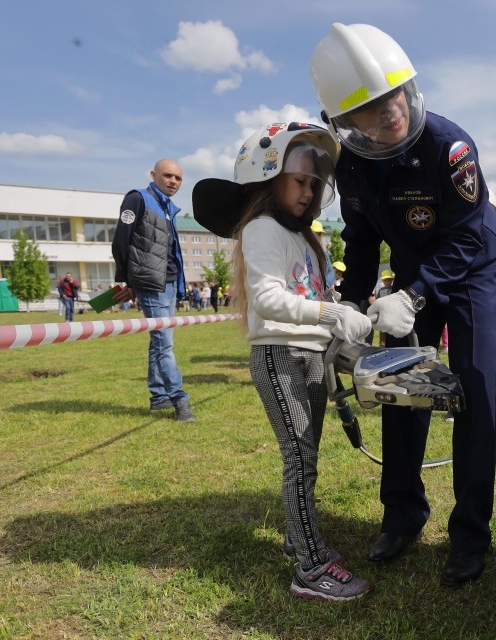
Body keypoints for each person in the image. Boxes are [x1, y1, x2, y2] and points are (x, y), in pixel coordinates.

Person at [311, 23, 496, 587]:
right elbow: (360, 239)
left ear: (408, 87)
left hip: (468, 275)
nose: (390, 111)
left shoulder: (450, 146)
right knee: (400, 392)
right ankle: (402, 515)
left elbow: (471, 238)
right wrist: (350, 305)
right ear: (346, 122)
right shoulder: (350, 166)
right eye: (371, 107)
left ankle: (470, 533)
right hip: (407, 283)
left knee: (472, 392)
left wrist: (415, 293)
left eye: (393, 94)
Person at [192, 122, 374, 602]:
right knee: (299, 461)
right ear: (267, 177)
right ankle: (310, 568)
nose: (307, 192)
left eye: (315, 184)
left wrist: (355, 315)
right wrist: (329, 311)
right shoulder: (261, 229)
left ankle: (299, 536)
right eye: (299, 181)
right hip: (279, 356)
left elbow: (316, 300)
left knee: (306, 458)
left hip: (310, 357)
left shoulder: (309, 240)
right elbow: (270, 300)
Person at [111, 159, 194, 423]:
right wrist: (128, 281)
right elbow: (120, 242)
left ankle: (158, 396)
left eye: (178, 178)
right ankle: (179, 399)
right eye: (168, 176)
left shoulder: (168, 207)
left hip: (168, 282)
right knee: (164, 343)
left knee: (160, 341)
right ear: (153, 175)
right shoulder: (138, 199)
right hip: (150, 283)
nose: (173, 181)